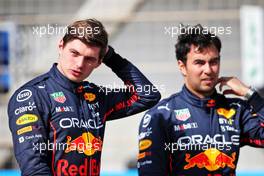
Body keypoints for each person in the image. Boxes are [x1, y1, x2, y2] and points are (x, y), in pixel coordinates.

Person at [8, 19, 161, 176]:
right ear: (61, 46)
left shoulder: (96, 96)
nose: (80, 64)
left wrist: (111, 56)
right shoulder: (32, 96)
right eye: (74, 53)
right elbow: (34, 168)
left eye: (89, 59)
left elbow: (147, 95)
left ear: (99, 62)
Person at [137, 24, 264, 176]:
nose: (208, 70)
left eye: (214, 62)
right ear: (182, 66)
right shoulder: (161, 116)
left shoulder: (236, 110)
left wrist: (250, 94)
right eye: (199, 62)